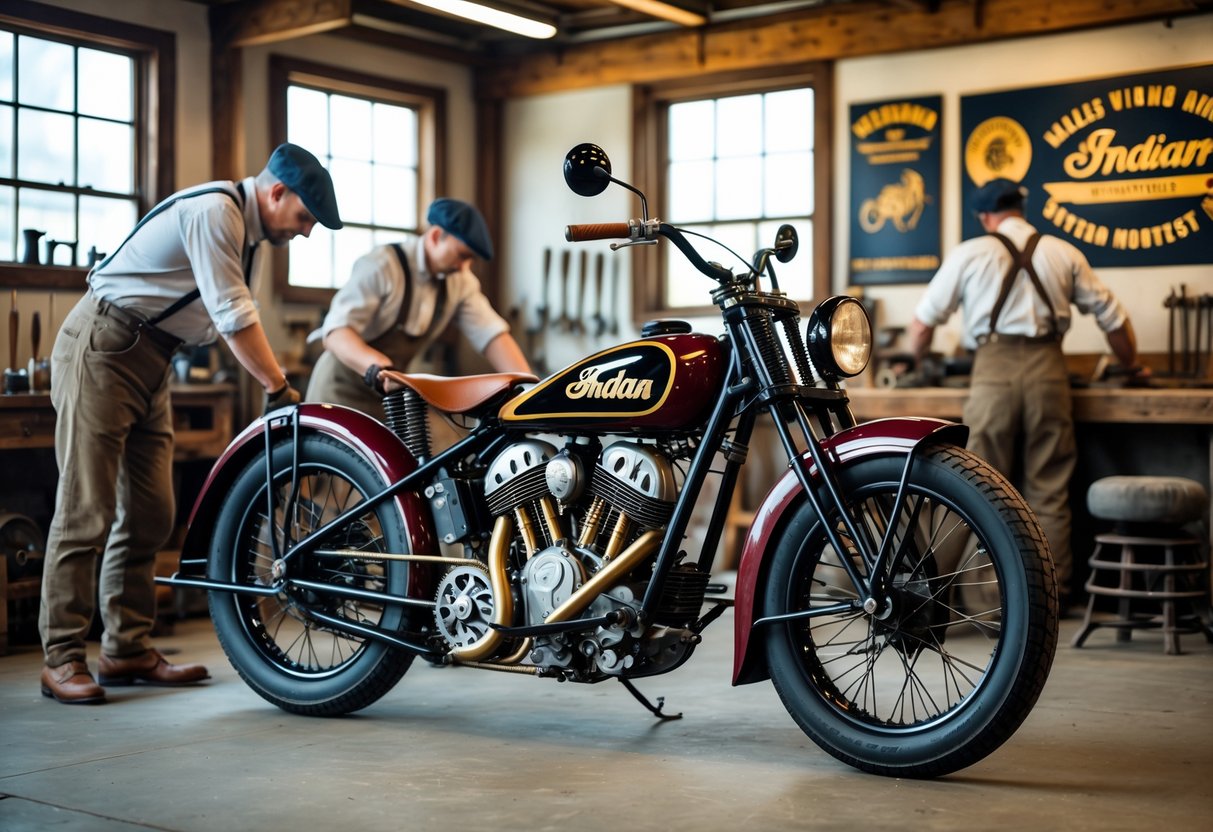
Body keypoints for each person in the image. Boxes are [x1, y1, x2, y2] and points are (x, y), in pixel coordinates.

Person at [39, 143, 342, 704]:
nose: (305, 233)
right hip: (104, 347)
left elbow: (222, 314)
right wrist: (278, 386)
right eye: (304, 218)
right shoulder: (215, 213)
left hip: (153, 359)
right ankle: (61, 656)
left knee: (154, 511)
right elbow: (233, 316)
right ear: (276, 192)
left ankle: (125, 647)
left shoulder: (245, 231)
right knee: (87, 509)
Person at [907, 178, 1141, 610]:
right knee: (1049, 489)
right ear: (1022, 207)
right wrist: (1130, 365)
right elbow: (1114, 319)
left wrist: (915, 363)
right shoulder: (1063, 251)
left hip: (992, 375)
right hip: (1049, 373)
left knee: (971, 486)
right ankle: (1047, 598)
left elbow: (921, 326)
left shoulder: (970, 253)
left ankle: (927, 596)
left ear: (984, 216)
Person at [305, 198, 531, 422]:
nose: (465, 267)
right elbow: (336, 333)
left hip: (386, 399)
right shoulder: (382, 266)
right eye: (462, 255)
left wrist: (531, 389)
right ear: (435, 237)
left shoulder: (460, 282)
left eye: (470, 259)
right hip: (338, 391)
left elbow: (492, 336)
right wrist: (381, 370)